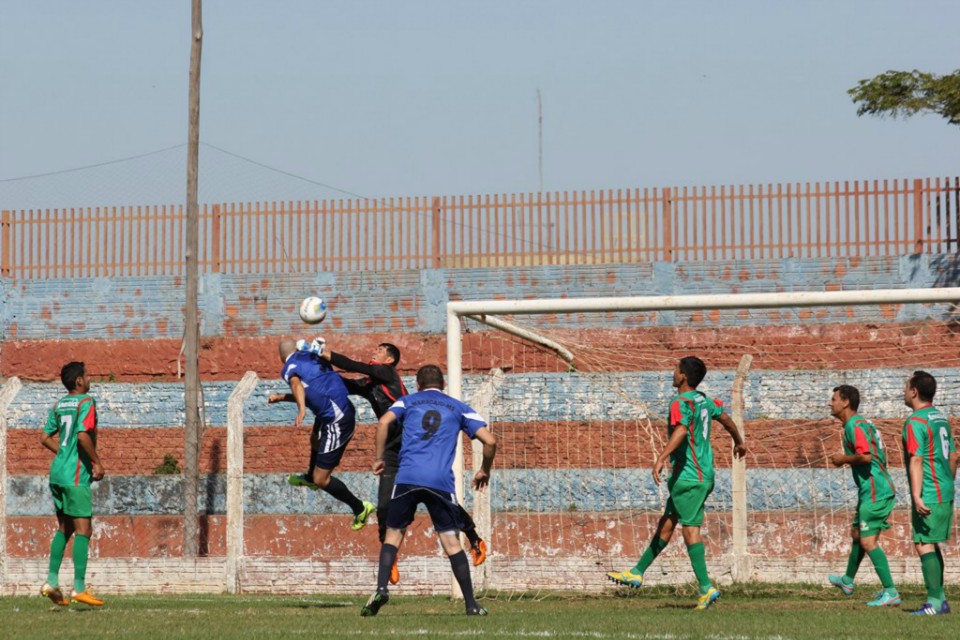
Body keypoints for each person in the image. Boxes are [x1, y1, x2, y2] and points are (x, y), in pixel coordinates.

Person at [320, 340, 487, 585]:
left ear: (389, 360)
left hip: (411, 446)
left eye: (379, 350)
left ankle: (473, 537)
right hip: (391, 450)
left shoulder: (387, 373)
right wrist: (318, 371)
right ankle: (391, 553)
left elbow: (353, 365)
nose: (373, 352)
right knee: (384, 504)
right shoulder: (370, 383)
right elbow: (344, 383)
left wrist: (326, 353)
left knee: (441, 498)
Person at [606, 356, 746, 610]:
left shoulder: (680, 402)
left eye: (675, 369)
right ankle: (637, 572)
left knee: (690, 530)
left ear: (682, 376)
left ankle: (706, 588)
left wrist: (661, 457)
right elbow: (724, 418)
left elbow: (681, 430)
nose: (672, 373)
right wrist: (739, 441)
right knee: (668, 522)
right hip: (701, 475)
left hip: (689, 477)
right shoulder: (703, 400)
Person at [360, 364, 497, 617]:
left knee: (393, 536)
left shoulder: (407, 402)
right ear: (443, 384)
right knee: (451, 543)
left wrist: (379, 457)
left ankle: (381, 588)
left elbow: (383, 422)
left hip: (407, 478)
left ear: (418, 385)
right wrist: (483, 469)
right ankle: (471, 605)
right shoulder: (458, 407)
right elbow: (490, 441)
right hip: (439, 482)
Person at [268, 339, 375, 530]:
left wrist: (301, 408)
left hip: (337, 420)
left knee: (322, 479)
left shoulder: (289, 367)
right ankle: (309, 477)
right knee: (314, 439)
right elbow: (311, 392)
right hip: (334, 410)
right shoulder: (313, 357)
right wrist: (280, 398)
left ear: (281, 357)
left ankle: (360, 508)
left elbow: (297, 386)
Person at [826, 385, 900, 606]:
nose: (830, 403)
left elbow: (866, 457)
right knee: (857, 534)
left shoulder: (854, 425)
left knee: (868, 542)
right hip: (872, 488)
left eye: (834, 399)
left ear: (845, 402)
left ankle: (891, 591)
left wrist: (843, 459)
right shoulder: (860, 423)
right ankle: (848, 580)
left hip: (876, 491)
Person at [39, 361, 106, 607]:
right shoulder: (85, 401)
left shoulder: (58, 405)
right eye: (87, 375)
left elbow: (45, 437)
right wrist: (96, 462)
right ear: (79, 381)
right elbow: (82, 435)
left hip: (57, 474)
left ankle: (51, 581)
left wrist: (63, 452)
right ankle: (78, 587)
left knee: (64, 528)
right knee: (84, 530)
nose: (89, 379)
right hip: (75, 475)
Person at [901, 370, 957, 616]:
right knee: (931, 544)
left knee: (923, 543)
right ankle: (940, 600)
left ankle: (934, 602)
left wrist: (916, 494)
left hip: (929, 491)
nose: (904, 391)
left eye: (906, 387)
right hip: (945, 489)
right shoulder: (940, 418)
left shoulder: (916, 421)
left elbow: (916, 460)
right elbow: (954, 456)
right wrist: (947, 480)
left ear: (914, 391)